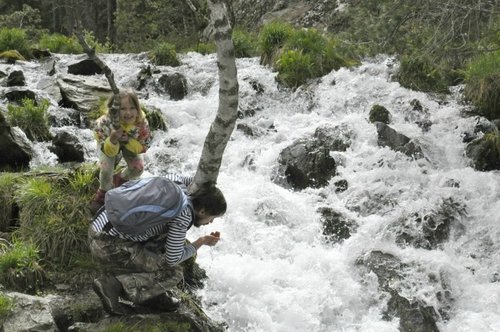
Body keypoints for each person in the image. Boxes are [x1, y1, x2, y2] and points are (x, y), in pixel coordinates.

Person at [88, 173, 227, 315]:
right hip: (107, 245)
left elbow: (197, 178)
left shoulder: (175, 180)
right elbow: (172, 258)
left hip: (99, 224)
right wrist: (201, 242)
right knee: (172, 272)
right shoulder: (184, 214)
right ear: (202, 210)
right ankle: (113, 286)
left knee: (163, 240)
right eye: (212, 218)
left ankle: (151, 296)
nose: (210, 222)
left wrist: (209, 188)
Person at [90, 89, 152, 215]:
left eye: (132, 108)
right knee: (107, 169)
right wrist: (112, 139)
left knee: (138, 169)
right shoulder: (105, 123)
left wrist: (128, 140)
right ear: (114, 110)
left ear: (138, 108)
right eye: (123, 109)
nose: (128, 113)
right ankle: (102, 195)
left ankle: (119, 181)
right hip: (108, 144)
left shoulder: (141, 123)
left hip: (130, 144)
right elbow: (109, 152)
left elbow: (144, 145)